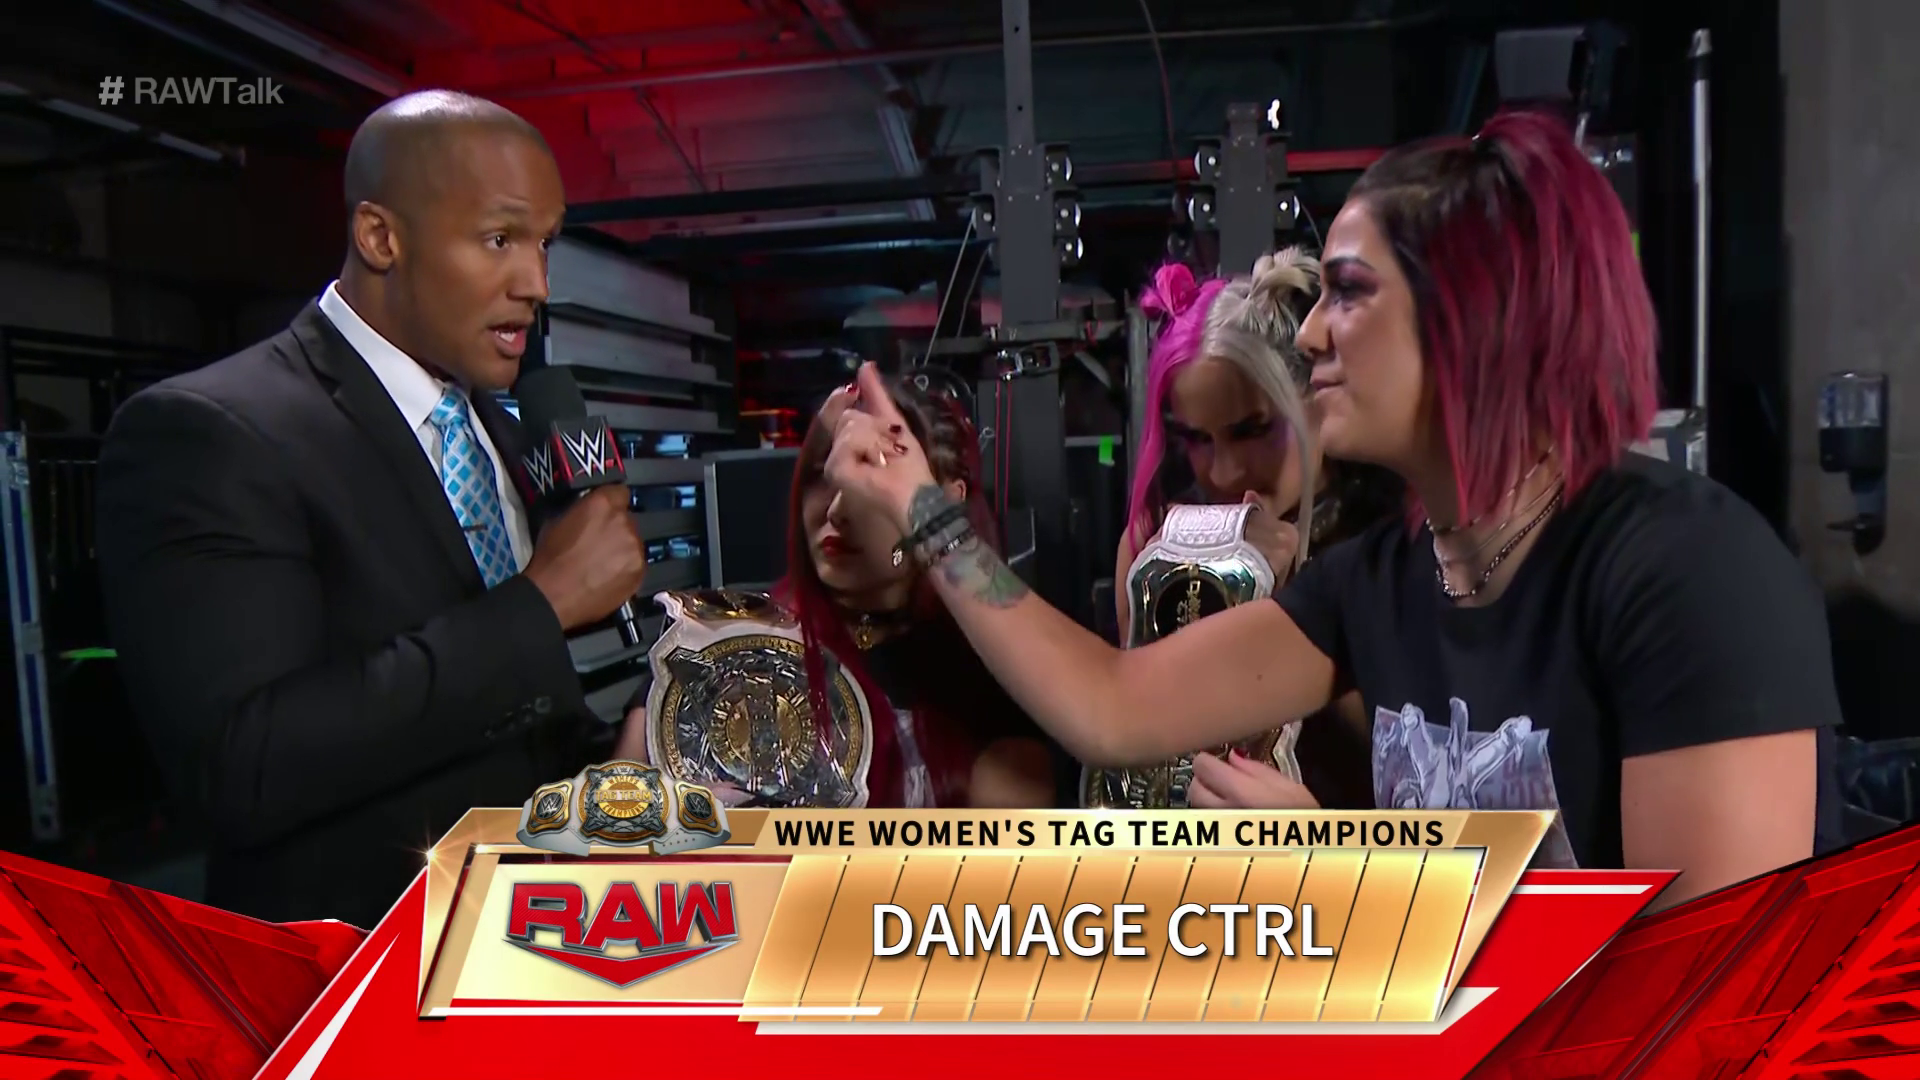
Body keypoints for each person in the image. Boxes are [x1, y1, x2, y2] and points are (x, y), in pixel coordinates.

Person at [822, 110, 1839, 908]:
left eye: (1349, 292)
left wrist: (1348, 874)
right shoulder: (1383, 581)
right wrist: (927, 511)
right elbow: (1113, 706)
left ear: (1476, 314)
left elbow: (1703, 996)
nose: (1310, 334)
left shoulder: (1687, 571)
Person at [95, 91, 648, 927]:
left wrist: (622, 758)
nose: (536, 284)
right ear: (381, 237)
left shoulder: (498, 429)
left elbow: (503, 717)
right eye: (499, 239)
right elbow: (246, 767)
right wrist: (543, 603)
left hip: (534, 935)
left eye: (544, 243)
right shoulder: (210, 432)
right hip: (359, 962)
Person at [618, 376, 1055, 808]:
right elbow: (613, 827)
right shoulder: (713, 643)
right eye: (822, 476)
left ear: (943, 501)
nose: (836, 509)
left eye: (869, 476)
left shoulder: (1000, 676)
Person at [1119, 250, 1401, 809]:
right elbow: (1138, 755)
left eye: (1251, 431)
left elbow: (1412, 757)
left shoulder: (1393, 547)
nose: (1223, 472)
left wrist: (1290, 601)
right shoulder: (1155, 550)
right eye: (1196, 439)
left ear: (1317, 398)